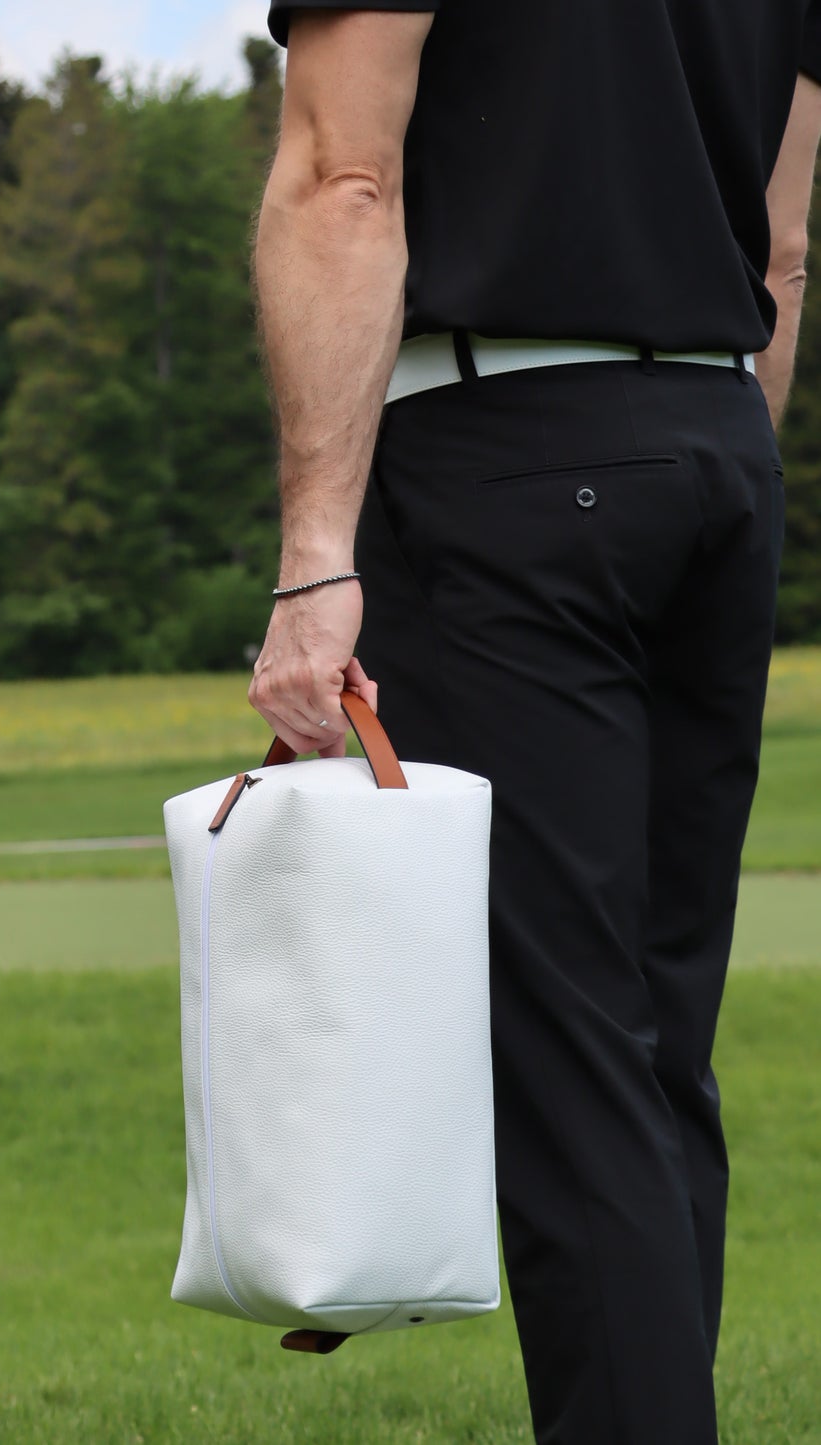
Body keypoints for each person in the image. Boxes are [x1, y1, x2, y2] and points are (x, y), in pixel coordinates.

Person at [246, 3, 821, 1441]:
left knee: (569, 1071)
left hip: (506, 463)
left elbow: (342, 178)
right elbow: (781, 251)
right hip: (717, 455)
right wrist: (701, 469)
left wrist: (315, 559)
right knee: (650, 1052)